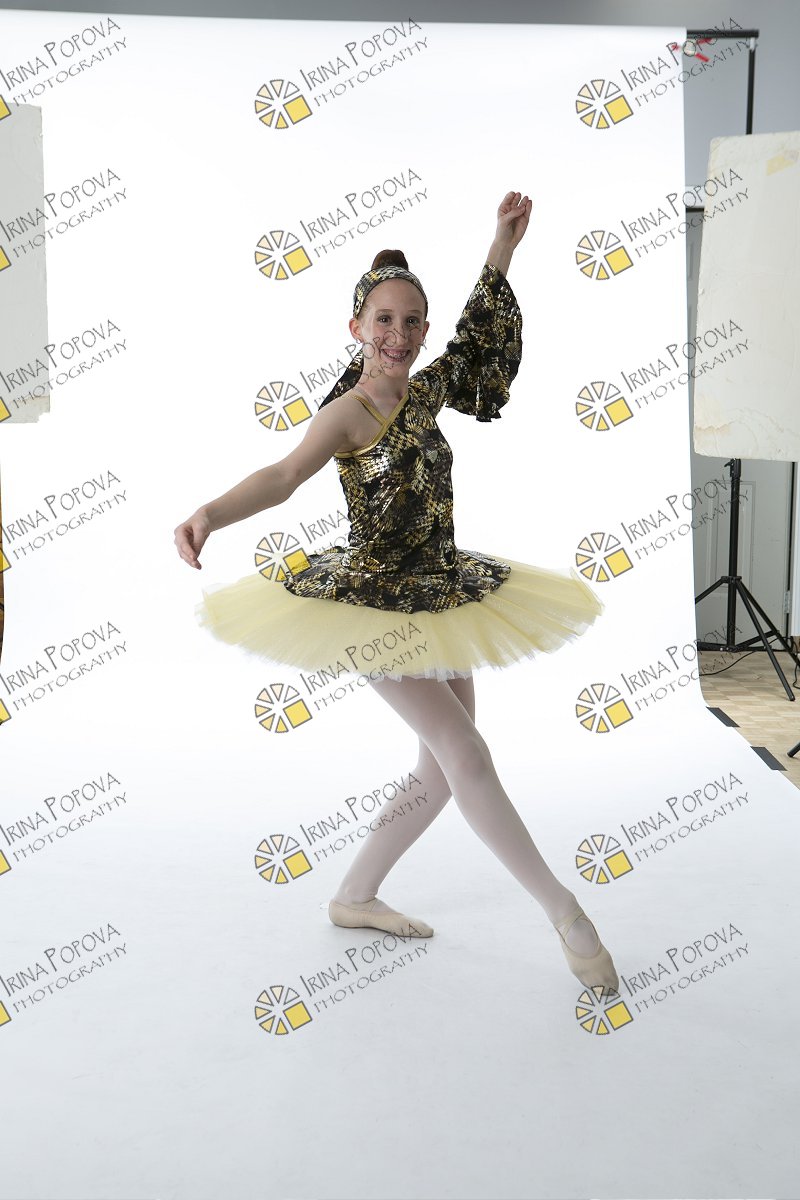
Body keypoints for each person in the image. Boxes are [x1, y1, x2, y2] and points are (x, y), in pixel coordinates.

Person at [174, 192, 619, 993]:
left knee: (442, 769)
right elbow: (283, 475)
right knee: (466, 753)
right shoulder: (347, 413)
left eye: (412, 321)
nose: (400, 334)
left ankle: (354, 896)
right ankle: (566, 915)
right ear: (356, 327)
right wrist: (210, 513)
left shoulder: (423, 393)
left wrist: (503, 244)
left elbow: (477, 340)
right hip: (375, 605)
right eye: (384, 319)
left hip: (442, 591)